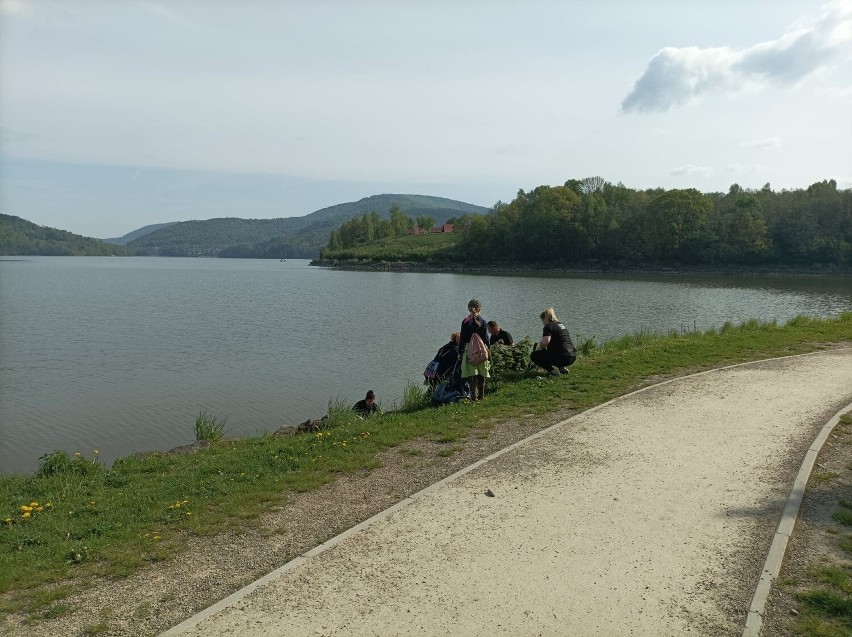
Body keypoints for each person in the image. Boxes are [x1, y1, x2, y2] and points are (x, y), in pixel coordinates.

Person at [458, 299, 491, 400]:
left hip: (470, 350)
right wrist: (488, 348)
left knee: (471, 374)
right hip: (481, 350)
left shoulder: (465, 322)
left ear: (469, 308)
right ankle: (481, 395)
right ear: (480, 309)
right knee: (482, 373)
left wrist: (460, 352)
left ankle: (473, 396)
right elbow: (485, 338)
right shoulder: (483, 322)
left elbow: (462, 338)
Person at [530, 307, 576, 376]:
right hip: (572, 356)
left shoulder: (548, 326)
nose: (543, 323)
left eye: (543, 321)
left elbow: (546, 342)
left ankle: (553, 371)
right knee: (554, 352)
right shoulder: (560, 325)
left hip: (562, 356)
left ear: (545, 318)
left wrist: (541, 345)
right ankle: (562, 369)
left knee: (534, 355)